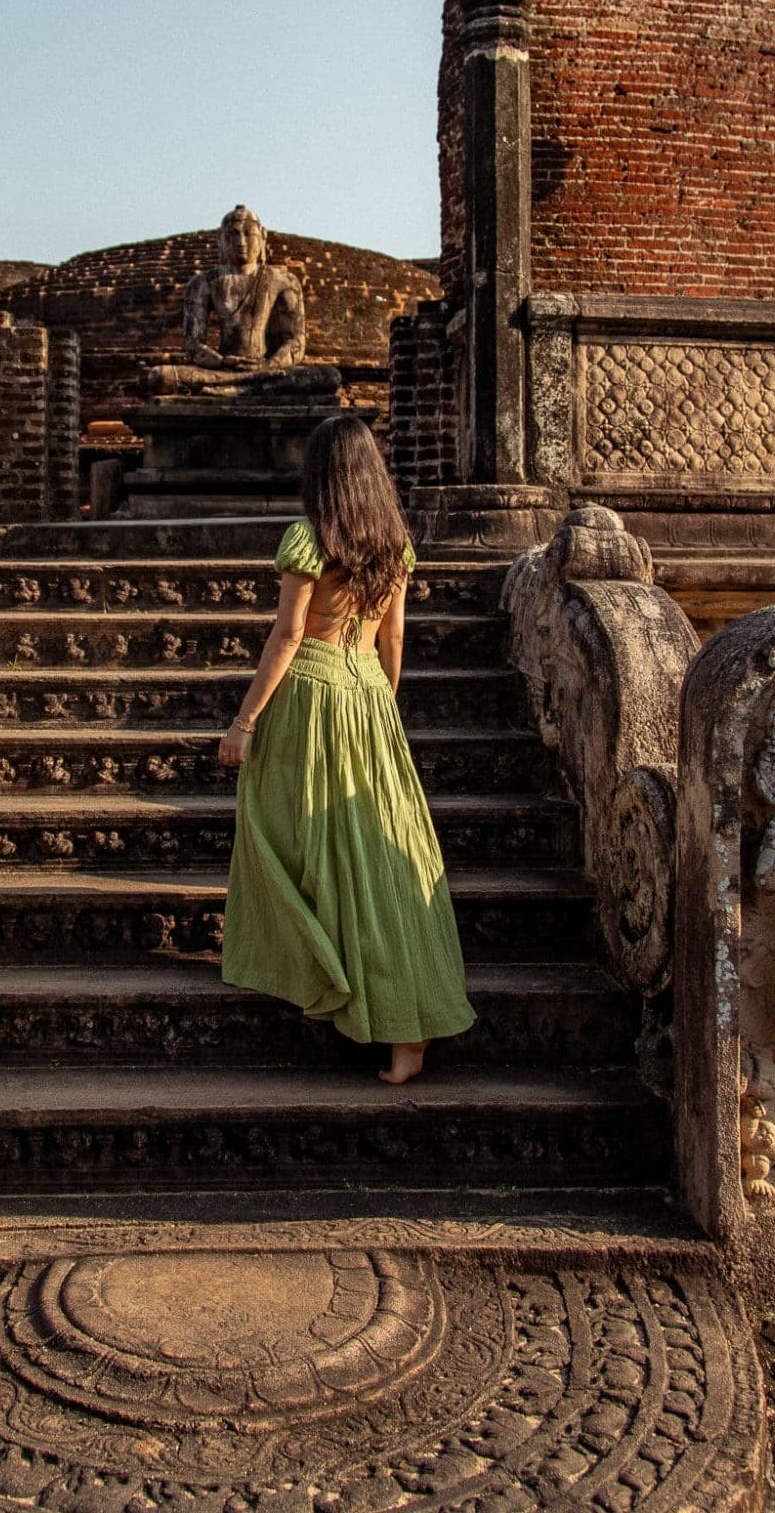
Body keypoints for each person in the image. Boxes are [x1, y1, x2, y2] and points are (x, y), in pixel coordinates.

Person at [219, 414, 475, 1083]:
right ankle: (404, 1033)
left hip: (311, 689)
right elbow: (394, 640)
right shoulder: (394, 541)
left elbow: (287, 636)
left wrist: (244, 723)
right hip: (368, 692)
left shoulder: (309, 536)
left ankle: (324, 972)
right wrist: (380, 703)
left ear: (320, 474)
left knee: (291, 835)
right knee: (374, 850)